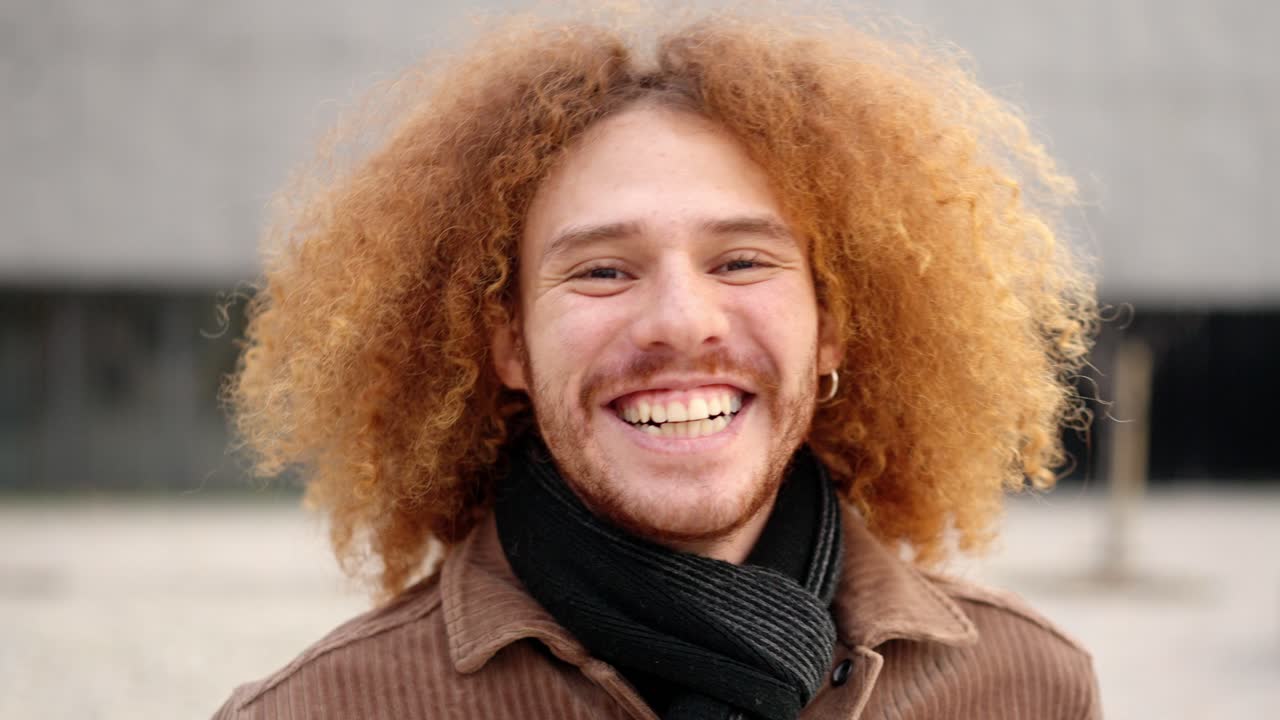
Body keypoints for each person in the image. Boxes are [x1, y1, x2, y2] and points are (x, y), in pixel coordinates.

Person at [214, 6, 1101, 719]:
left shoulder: (1031, 690)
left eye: (742, 261)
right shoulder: (319, 710)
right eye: (602, 270)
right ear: (508, 344)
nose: (681, 321)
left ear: (830, 326)